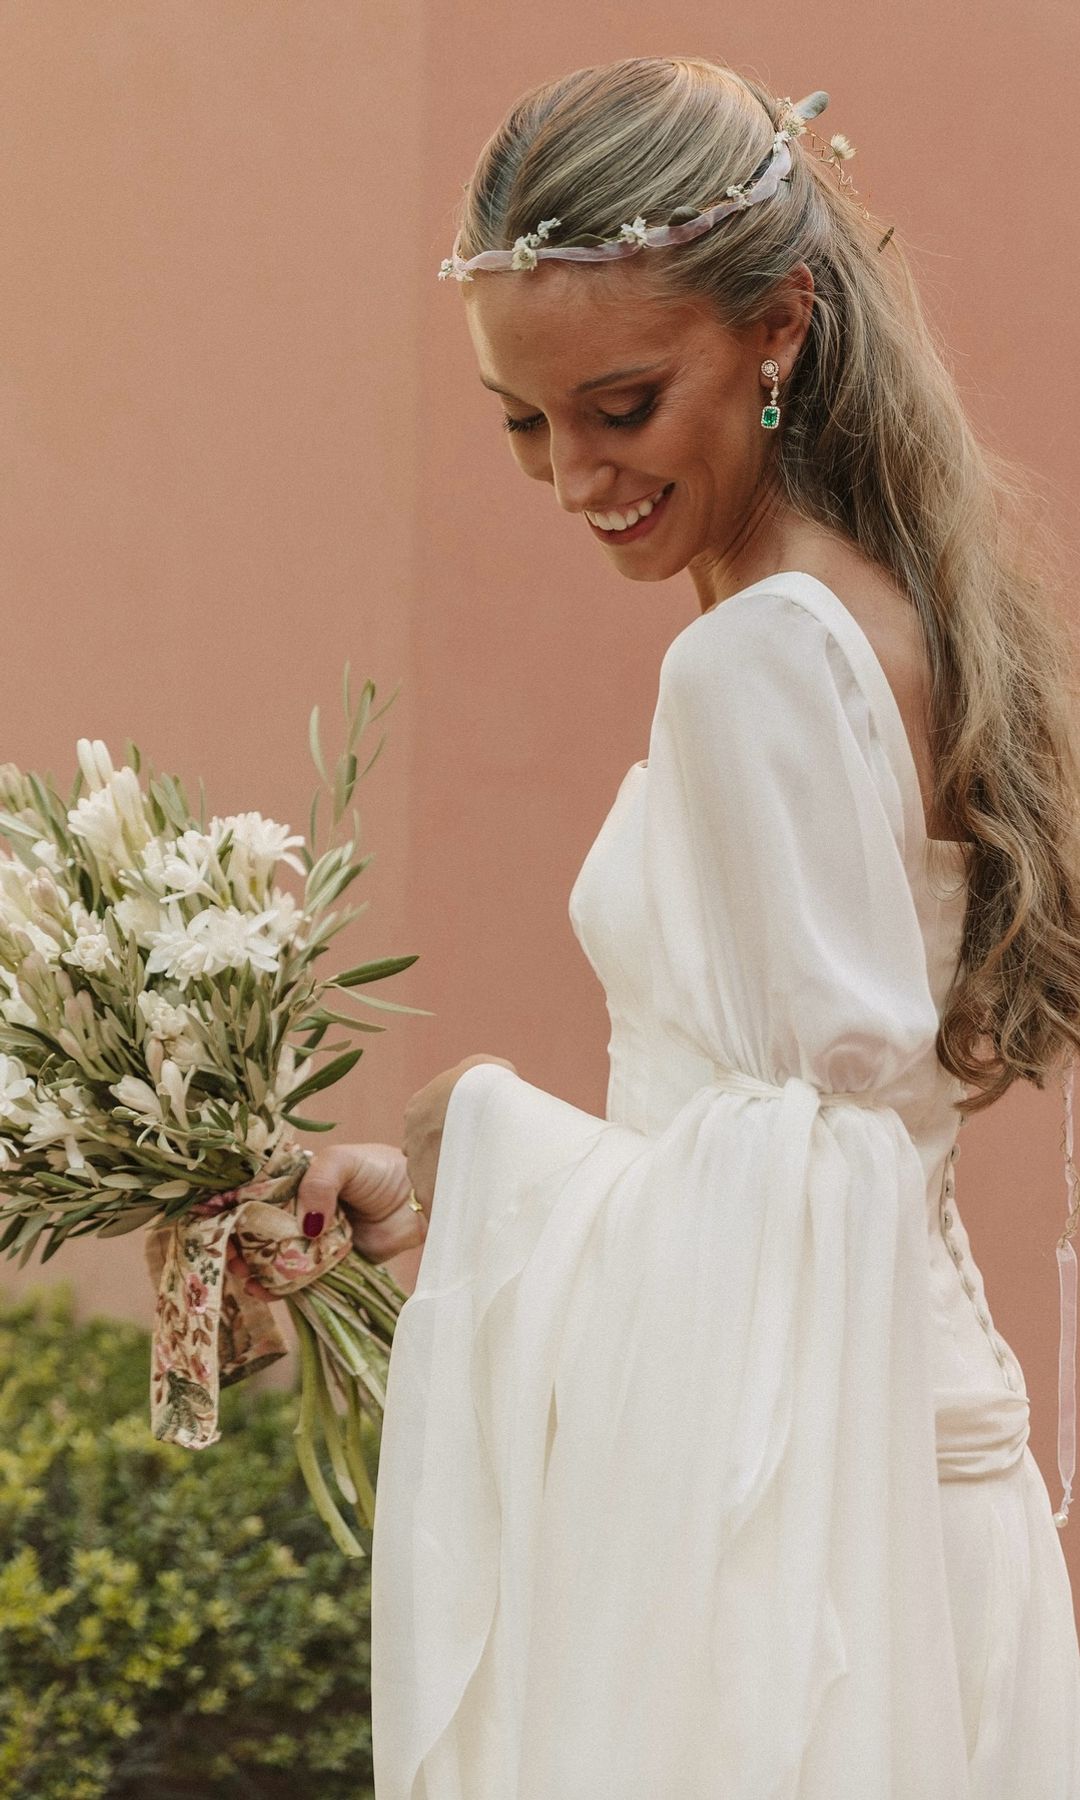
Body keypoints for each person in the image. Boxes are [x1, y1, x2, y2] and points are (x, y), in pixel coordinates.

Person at [296, 60, 1080, 1797]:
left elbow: (813, 1189)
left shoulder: (756, 660)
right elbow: (793, 1135)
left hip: (821, 1543)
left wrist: (480, 1124)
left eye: (623, 405)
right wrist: (442, 1190)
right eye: (523, 419)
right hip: (910, 1496)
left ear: (779, 325)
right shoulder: (877, 609)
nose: (574, 474)